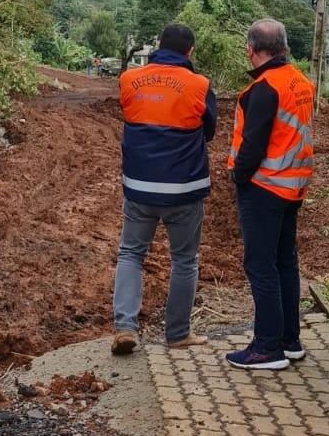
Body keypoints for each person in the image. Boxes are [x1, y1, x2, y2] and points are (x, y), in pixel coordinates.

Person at [111, 23, 217, 355]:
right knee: (184, 260)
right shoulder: (200, 85)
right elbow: (209, 131)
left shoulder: (129, 80)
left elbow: (132, 115)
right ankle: (177, 335)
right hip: (185, 191)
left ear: (157, 45)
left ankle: (125, 327)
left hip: (139, 189)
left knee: (131, 253)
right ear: (190, 52)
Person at [225, 19, 314, 370]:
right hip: (294, 186)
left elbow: (253, 144)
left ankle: (266, 348)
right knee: (284, 262)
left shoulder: (264, 88)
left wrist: (238, 176)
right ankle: (289, 339)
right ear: (285, 47)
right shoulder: (301, 82)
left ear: (250, 49)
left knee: (260, 265)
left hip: (264, 187)